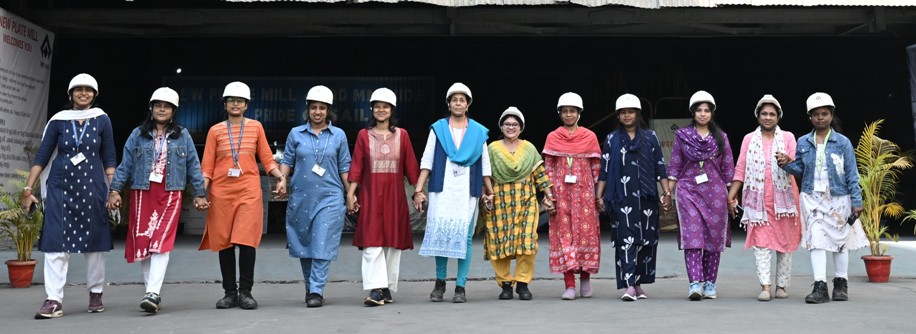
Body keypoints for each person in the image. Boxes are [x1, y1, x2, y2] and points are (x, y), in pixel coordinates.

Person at [22, 73, 116, 319]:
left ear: (94, 94)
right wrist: (28, 189)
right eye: (78, 89)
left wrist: (113, 190)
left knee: (94, 244)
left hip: (93, 189)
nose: (83, 93)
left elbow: (109, 157)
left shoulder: (102, 119)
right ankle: (53, 299)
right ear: (71, 93)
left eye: (88, 90)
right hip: (60, 189)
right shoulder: (58, 121)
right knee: (55, 244)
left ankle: (96, 293)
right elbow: (42, 157)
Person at [106, 87, 209, 313]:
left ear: (173, 111)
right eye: (158, 105)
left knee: (160, 241)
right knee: (144, 242)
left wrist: (200, 194)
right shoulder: (137, 134)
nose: (162, 109)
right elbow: (125, 165)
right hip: (142, 192)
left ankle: (152, 292)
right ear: (151, 109)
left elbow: (193, 165)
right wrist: (114, 190)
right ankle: (151, 292)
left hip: (171, 192)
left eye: (167, 106)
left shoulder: (183, 135)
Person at [199, 81, 285, 310]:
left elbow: (267, 158)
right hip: (221, 192)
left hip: (248, 190)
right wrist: (201, 190)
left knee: (247, 241)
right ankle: (229, 293)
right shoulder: (215, 130)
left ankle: (246, 292)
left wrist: (279, 175)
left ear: (246, 105)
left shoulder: (256, 127)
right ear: (225, 104)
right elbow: (207, 165)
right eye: (231, 100)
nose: (235, 104)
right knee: (224, 242)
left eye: (239, 101)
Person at [777, 92, 868, 304]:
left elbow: (852, 173)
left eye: (824, 114)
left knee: (840, 242)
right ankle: (820, 286)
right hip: (812, 198)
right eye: (816, 114)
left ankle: (841, 283)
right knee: (816, 240)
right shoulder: (803, 142)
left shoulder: (843, 142)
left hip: (839, 198)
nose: (820, 118)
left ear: (831, 115)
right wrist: (786, 163)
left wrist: (856, 201)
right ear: (810, 117)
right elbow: (799, 168)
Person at [414, 82, 493, 303]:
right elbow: (427, 160)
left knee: (465, 238)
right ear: (448, 104)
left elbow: (485, 165)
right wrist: (419, 189)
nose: (458, 103)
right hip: (442, 189)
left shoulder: (478, 132)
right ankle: (440, 283)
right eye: (454, 100)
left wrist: (489, 192)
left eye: (462, 100)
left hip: (467, 192)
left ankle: (460, 286)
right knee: (441, 235)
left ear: (467, 105)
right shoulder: (438, 129)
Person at [277, 85, 351, 308]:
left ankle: (317, 289)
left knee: (322, 241)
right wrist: (281, 180)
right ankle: (310, 289)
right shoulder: (295, 133)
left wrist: (351, 193)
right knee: (304, 243)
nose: (317, 112)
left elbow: (344, 166)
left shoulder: (339, 135)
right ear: (307, 109)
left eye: (322, 108)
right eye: (313, 108)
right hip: (301, 197)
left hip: (330, 197)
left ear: (328, 110)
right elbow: (287, 161)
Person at [345, 88, 420, 306]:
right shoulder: (363, 135)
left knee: (393, 244)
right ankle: (376, 289)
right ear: (371, 109)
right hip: (369, 197)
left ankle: (386, 287)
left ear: (391, 110)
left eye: (385, 107)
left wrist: (419, 191)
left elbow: (411, 167)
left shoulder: (402, 135)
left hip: (394, 197)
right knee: (372, 242)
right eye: (377, 106)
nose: (381, 110)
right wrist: (351, 194)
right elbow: (356, 167)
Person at [595, 94, 672, 301]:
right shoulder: (612, 139)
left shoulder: (651, 137)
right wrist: (599, 196)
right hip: (621, 199)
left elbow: (660, 166)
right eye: (623, 112)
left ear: (637, 114)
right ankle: (629, 285)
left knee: (646, 242)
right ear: (618, 116)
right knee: (626, 241)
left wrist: (666, 193)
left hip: (647, 198)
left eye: (630, 112)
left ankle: (638, 283)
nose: (627, 115)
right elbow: (605, 169)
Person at [727, 95, 801, 302]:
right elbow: (740, 169)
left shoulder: (788, 138)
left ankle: (782, 286)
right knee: (761, 244)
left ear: (778, 117)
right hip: (757, 201)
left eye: (772, 114)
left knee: (784, 244)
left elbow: (797, 168)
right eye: (764, 114)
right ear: (758, 116)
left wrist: (788, 161)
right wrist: (729, 197)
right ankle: (765, 287)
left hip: (785, 201)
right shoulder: (749, 139)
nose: (768, 117)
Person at [667, 90, 735, 301]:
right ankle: (695, 283)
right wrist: (668, 192)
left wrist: (731, 197)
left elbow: (728, 170)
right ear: (693, 113)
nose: (703, 114)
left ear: (712, 113)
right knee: (693, 237)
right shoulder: (683, 136)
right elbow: (675, 165)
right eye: (699, 110)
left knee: (714, 240)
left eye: (707, 110)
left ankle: (710, 283)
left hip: (715, 193)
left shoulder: (721, 138)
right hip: (688, 191)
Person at [484, 106, 555, 301]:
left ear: (521, 127)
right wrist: (486, 195)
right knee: (500, 242)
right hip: (500, 200)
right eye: (507, 124)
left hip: (526, 200)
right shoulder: (492, 148)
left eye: (515, 124)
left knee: (527, 242)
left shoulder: (529, 148)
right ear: (501, 126)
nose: (511, 127)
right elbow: (485, 175)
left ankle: (523, 283)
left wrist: (549, 195)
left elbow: (540, 174)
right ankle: (505, 284)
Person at [542, 92, 602, 300]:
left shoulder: (589, 137)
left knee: (586, 235)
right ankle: (569, 284)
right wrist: (548, 195)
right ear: (560, 113)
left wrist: (598, 195)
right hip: (560, 195)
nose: (568, 114)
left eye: (572, 111)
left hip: (584, 195)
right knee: (562, 236)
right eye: (565, 111)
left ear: (579, 113)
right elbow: (547, 170)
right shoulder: (553, 137)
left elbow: (596, 168)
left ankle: (585, 279)